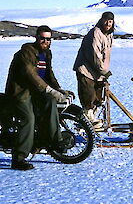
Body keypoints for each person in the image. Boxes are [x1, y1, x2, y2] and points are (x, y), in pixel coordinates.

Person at [5, 25, 70, 170]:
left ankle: (54, 141)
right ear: (37, 38)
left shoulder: (47, 53)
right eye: (42, 38)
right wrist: (49, 90)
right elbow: (31, 75)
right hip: (21, 92)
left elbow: (48, 74)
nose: (45, 41)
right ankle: (19, 158)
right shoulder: (26, 52)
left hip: (36, 91)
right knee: (29, 119)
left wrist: (58, 89)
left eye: (48, 39)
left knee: (50, 102)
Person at [73, 11, 114, 128]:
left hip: (97, 72)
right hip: (86, 71)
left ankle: (92, 123)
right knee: (88, 97)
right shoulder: (96, 33)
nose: (108, 23)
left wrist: (103, 71)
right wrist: (104, 71)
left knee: (98, 98)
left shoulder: (108, 35)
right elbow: (95, 55)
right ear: (101, 20)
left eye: (110, 21)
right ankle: (87, 123)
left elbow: (105, 55)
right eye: (106, 20)